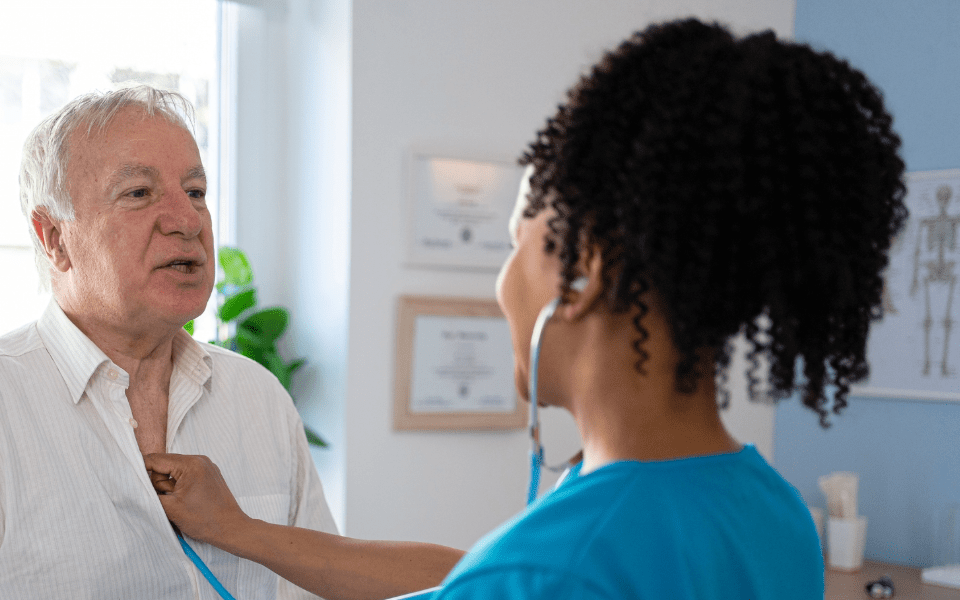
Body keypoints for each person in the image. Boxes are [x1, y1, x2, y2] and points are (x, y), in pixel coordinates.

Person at [145, 18, 907, 600]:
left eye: (518, 245)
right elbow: (469, 572)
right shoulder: (771, 513)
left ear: (585, 273)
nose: (503, 282)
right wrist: (236, 531)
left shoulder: (550, 570)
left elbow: (507, 575)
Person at [0, 86, 342, 599]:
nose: (186, 221)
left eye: (196, 192)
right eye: (139, 193)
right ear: (54, 239)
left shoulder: (260, 398)